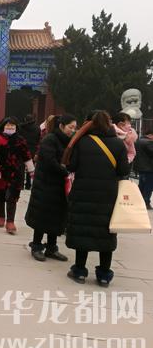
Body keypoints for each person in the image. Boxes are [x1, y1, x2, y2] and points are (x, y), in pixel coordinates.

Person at [63, 111, 129, 286]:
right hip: (108, 195)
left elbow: (72, 165)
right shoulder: (118, 144)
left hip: (83, 192)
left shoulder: (82, 141)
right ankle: (104, 274)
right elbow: (124, 171)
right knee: (106, 233)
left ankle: (79, 271)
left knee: (83, 230)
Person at [25, 114, 77, 262]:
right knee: (42, 216)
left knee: (56, 217)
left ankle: (51, 248)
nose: (73, 130)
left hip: (60, 185)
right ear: (61, 126)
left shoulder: (70, 142)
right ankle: (36, 246)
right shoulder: (50, 139)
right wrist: (65, 171)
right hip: (45, 184)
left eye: (75, 127)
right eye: (70, 127)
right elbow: (50, 161)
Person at [0, 117, 34, 235]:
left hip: (16, 172)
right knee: (0, 195)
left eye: (12, 125)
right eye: (7, 125)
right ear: (3, 126)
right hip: (0, 172)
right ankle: (1, 216)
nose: (10, 127)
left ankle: (10, 221)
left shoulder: (20, 140)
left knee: (12, 197)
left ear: (16, 127)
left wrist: (31, 170)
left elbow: (27, 156)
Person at [19, 114, 41, 189]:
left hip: (22, 148)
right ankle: (28, 185)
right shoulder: (37, 128)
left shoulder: (21, 127)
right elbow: (38, 139)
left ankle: (21, 184)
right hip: (32, 149)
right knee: (30, 166)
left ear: (25, 119)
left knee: (21, 167)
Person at [135, 130, 153, 209]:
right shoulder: (148, 142)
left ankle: (139, 201)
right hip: (149, 168)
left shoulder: (138, 141)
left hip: (141, 167)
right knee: (148, 186)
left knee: (142, 185)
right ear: (150, 135)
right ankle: (146, 202)